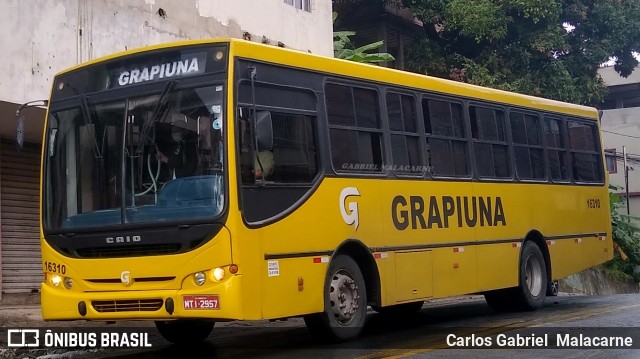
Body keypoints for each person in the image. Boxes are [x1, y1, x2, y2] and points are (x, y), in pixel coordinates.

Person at [157, 113, 198, 178]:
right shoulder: (176, 145)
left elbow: (183, 164)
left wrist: (165, 159)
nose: (174, 134)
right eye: (173, 132)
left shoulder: (189, 146)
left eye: (176, 132)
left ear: (184, 131)